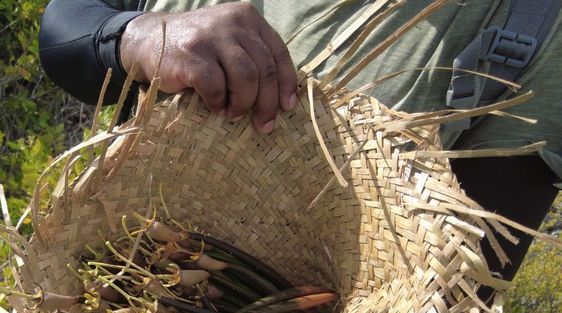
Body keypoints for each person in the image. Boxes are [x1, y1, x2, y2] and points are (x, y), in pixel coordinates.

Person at [38, 0, 560, 284]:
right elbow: (65, 31)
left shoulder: (535, 24)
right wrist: (134, 36)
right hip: (100, 279)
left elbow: (465, 281)